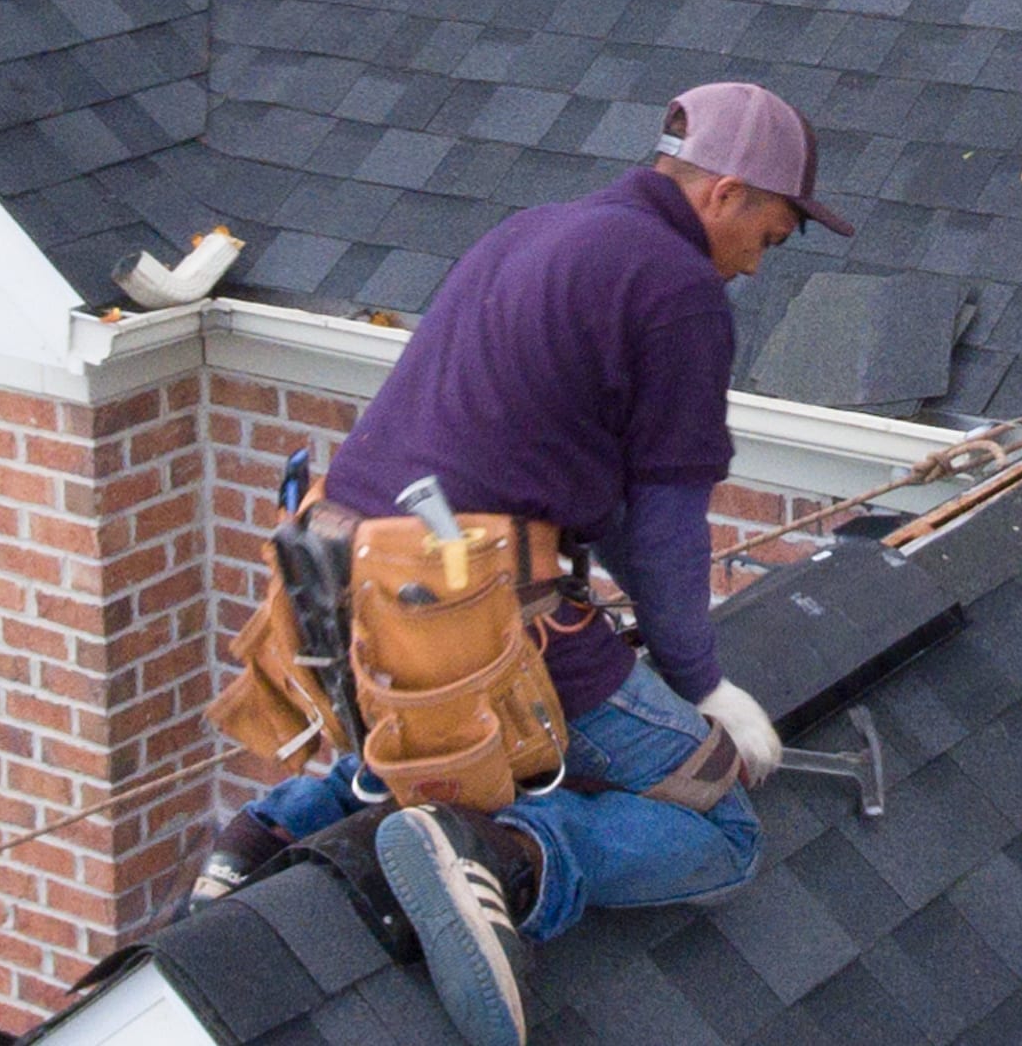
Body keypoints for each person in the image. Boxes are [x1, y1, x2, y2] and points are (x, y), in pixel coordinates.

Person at [193, 81, 854, 1045]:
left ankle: (271, 830)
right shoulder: (676, 290)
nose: (756, 265)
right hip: (477, 620)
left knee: (444, 738)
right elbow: (665, 532)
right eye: (772, 236)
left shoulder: (533, 229)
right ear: (726, 193)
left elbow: (612, 508)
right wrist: (703, 685)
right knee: (721, 823)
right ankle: (502, 865)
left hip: (338, 600)